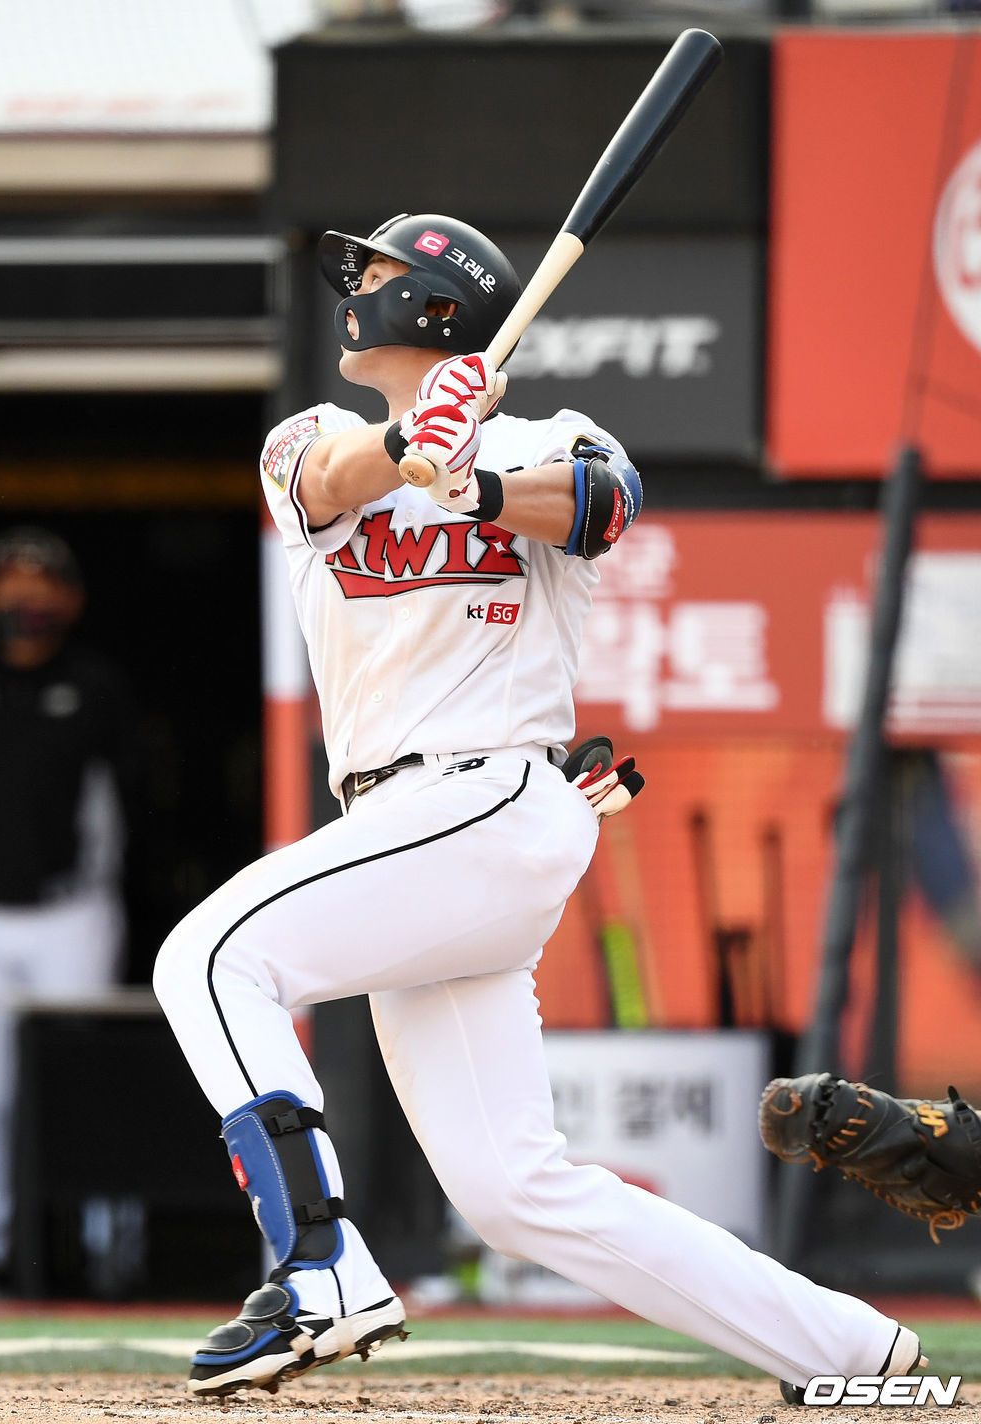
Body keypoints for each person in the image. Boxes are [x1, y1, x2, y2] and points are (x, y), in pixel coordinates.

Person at [153, 213, 924, 1401]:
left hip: (490, 795)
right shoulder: (315, 435)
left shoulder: (553, 434)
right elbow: (322, 483)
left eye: (378, 274)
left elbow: (604, 504)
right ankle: (851, 1349)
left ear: (439, 303)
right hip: (402, 833)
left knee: (206, 956)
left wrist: (479, 476)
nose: (353, 288)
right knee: (516, 1190)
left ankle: (318, 1265)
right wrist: (416, 437)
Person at [0, 527, 139, 1296]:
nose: (20, 600)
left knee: (86, 1079)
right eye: (7, 582)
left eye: (37, 584)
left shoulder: (97, 688)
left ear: (69, 597)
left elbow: (135, 810)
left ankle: (108, 1251)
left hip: (74, 912)